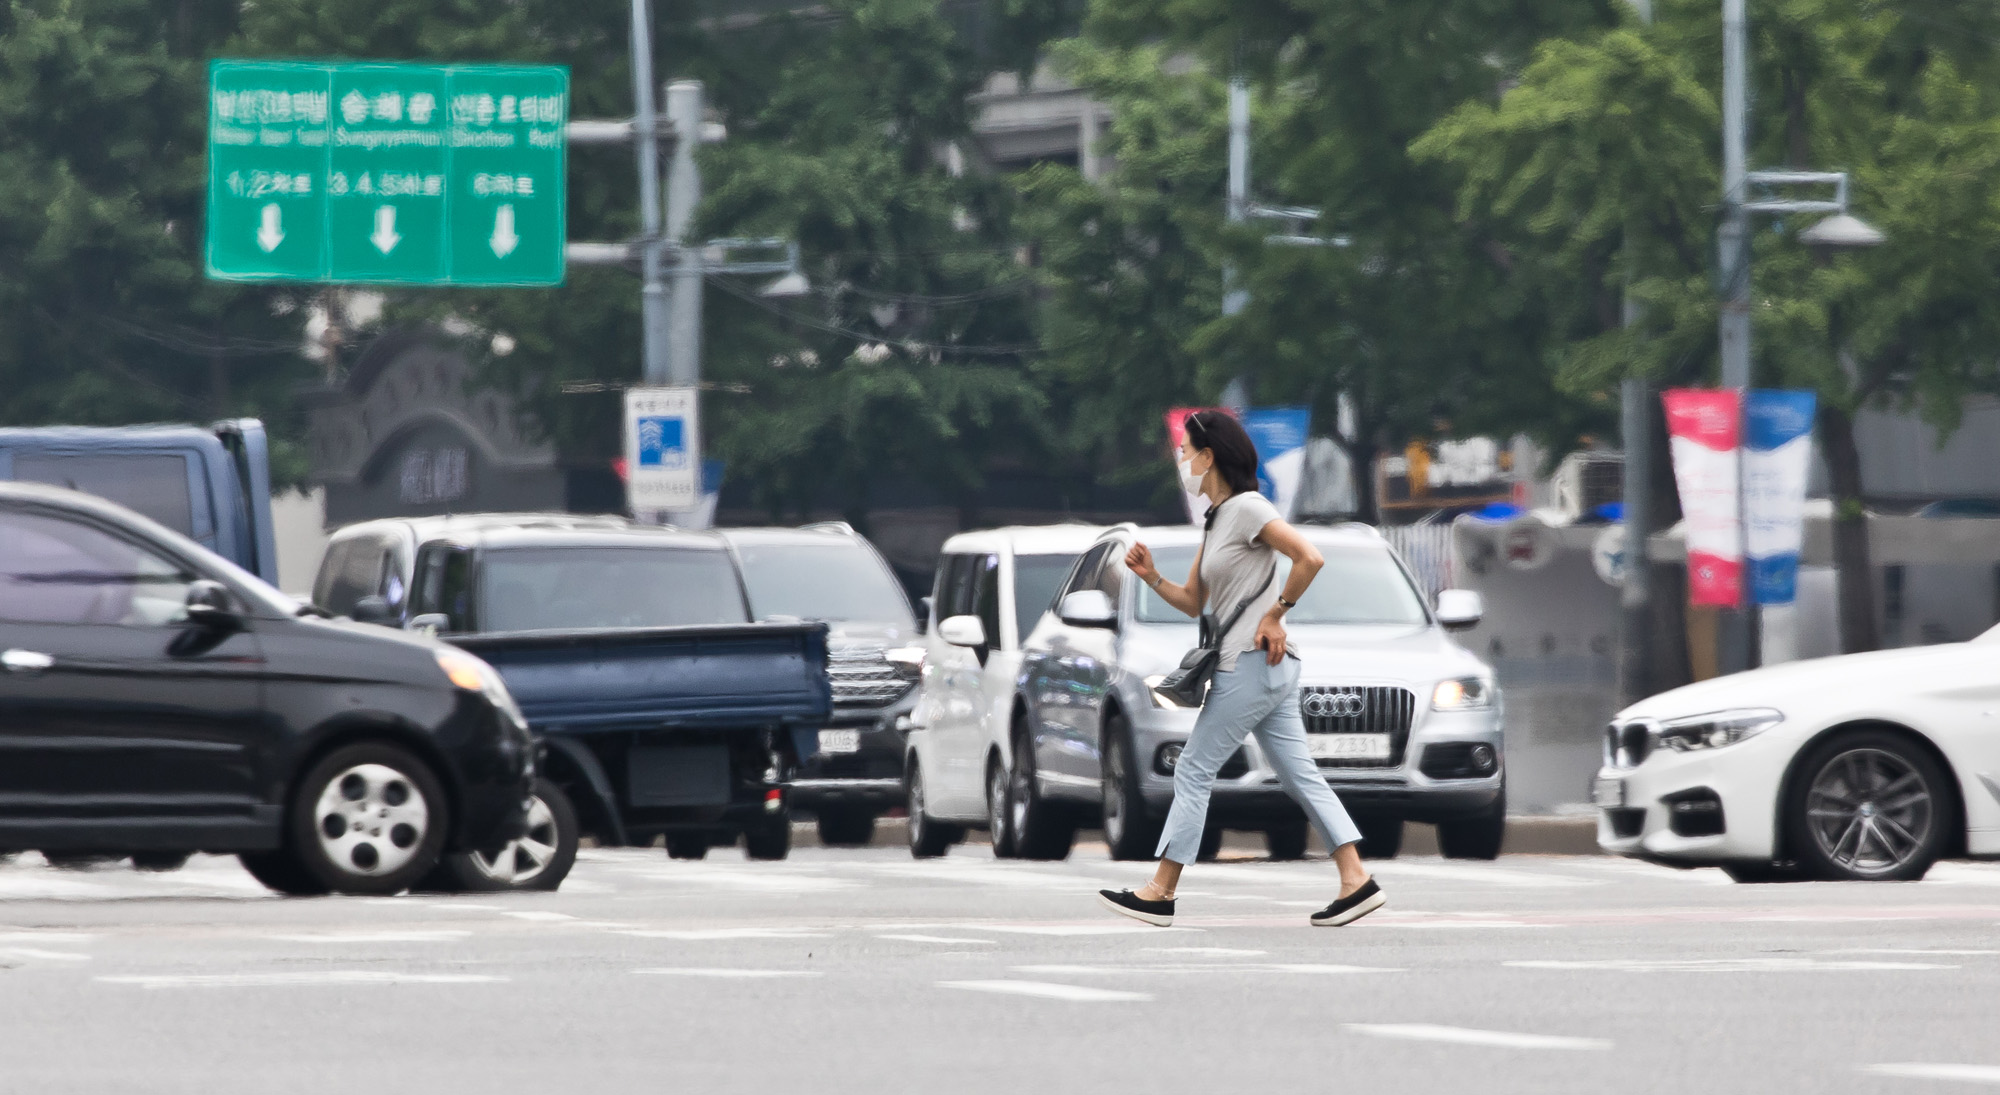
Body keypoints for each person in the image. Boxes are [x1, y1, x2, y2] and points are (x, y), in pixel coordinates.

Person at [1097, 411, 1385, 928]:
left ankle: (1161, 891)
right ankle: (1355, 880)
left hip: (1251, 665)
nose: (1181, 459)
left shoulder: (1250, 507)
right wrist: (1150, 576)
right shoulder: (1217, 518)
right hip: (1261, 669)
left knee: (1193, 769)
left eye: (1186, 451)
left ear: (1209, 456)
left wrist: (1276, 613)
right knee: (1301, 776)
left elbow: (1309, 558)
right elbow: (1192, 602)